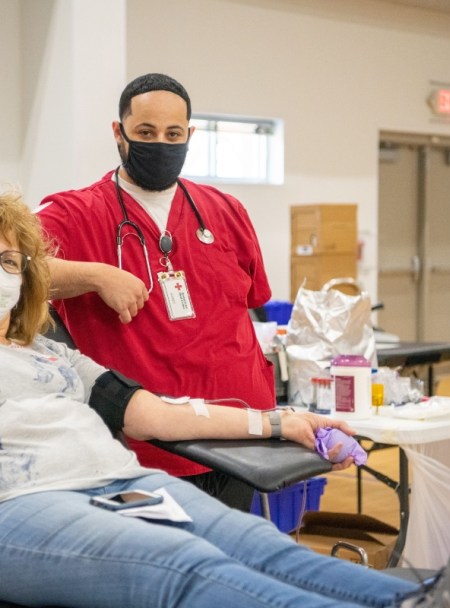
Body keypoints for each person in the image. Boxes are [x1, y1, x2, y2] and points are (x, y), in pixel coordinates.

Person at [0, 190, 450, 608]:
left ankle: (418, 601)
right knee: (181, 566)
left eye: (10, 259)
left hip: (120, 487)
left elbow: (154, 412)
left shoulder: (53, 352)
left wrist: (280, 419)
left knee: (254, 541)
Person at [37, 73, 274, 508]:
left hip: (238, 433)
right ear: (118, 133)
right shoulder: (74, 213)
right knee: (161, 568)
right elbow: (17, 269)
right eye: (146, 132)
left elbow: (252, 304)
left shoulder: (227, 211)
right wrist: (97, 276)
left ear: (190, 135)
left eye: (173, 134)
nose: (160, 143)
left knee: (229, 566)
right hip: (143, 447)